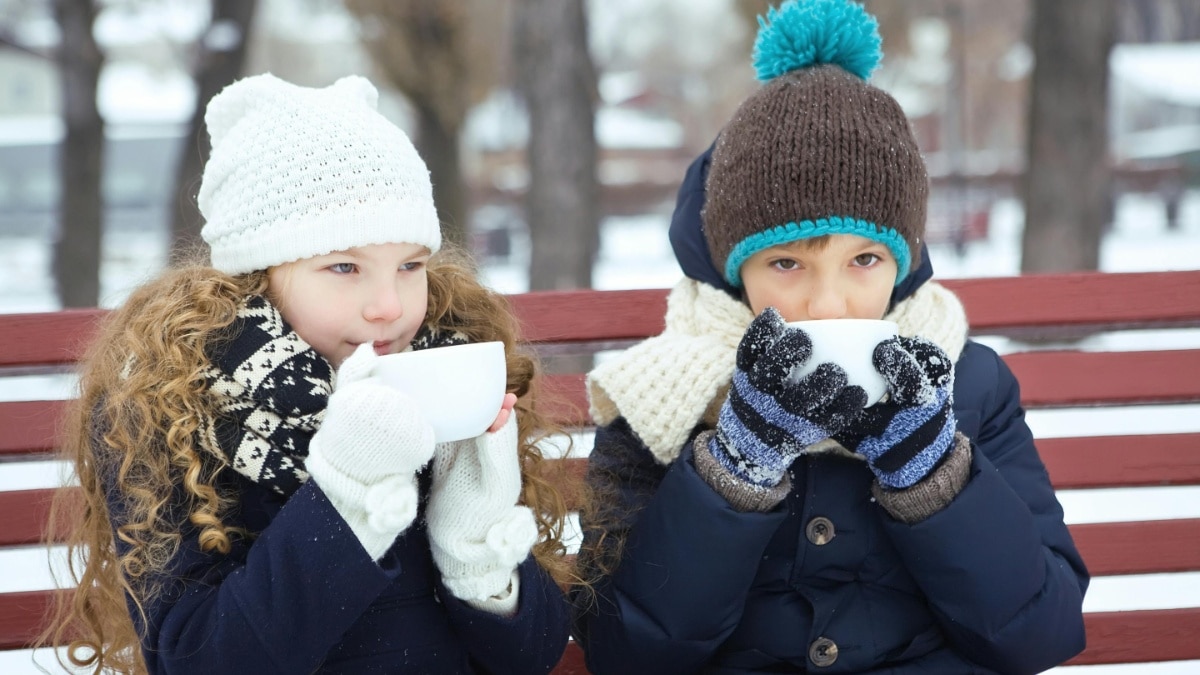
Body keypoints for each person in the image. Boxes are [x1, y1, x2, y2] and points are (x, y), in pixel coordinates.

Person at [570, 1, 1089, 673]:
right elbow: (625, 650)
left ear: (900, 261)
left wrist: (933, 473)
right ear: (735, 267)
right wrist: (735, 468)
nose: (827, 302)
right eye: (787, 263)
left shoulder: (970, 383)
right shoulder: (656, 401)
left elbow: (1041, 631)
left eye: (863, 260)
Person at [43, 73, 571, 674]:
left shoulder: (441, 377)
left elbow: (533, 655)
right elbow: (199, 660)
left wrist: (476, 549)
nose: (389, 305)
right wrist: (348, 499)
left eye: (409, 265)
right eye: (344, 266)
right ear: (257, 275)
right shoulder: (171, 402)